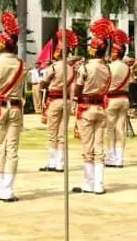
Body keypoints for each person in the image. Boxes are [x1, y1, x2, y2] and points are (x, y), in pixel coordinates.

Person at [0, 14, 26, 203]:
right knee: (12, 149)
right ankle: (8, 190)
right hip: (16, 108)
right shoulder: (21, 65)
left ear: (2, 44)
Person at [71, 19, 111, 196]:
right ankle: (99, 184)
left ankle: (88, 184)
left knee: (88, 148)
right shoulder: (107, 68)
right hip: (101, 108)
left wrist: (75, 98)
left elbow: (78, 87)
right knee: (99, 147)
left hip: (85, 107)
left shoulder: (86, 67)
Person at [39, 29, 78, 173]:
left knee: (52, 132)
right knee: (62, 133)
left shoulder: (54, 67)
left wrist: (44, 85)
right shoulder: (72, 69)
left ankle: (52, 162)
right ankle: (61, 163)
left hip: (54, 100)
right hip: (66, 101)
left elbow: (44, 82)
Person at [103, 26, 131, 168]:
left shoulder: (110, 67)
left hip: (112, 99)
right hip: (124, 99)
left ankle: (110, 156)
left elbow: (105, 82)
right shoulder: (127, 67)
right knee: (121, 128)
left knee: (110, 129)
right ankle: (119, 158)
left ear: (116, 53)